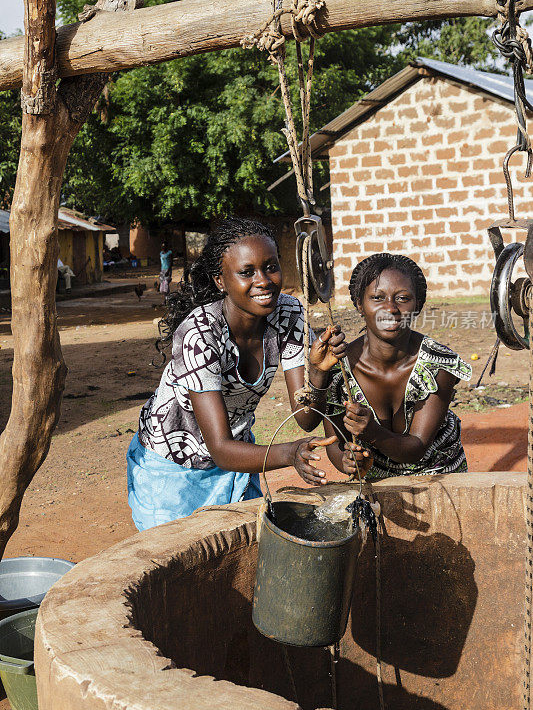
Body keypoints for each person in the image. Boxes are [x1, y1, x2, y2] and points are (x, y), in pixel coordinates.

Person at [126, 216, 345, 530]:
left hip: (239, 459)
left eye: (271, 267)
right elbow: (220, 448)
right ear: (220, 280)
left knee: (243, 555)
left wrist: (319, 374)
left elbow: (306, 418)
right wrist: (290, 452)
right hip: (172, 470)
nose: (264, 281)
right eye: (246, 272)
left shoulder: (288, 314)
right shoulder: (199, 334)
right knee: (181, 564)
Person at [317, 253, 472, 481]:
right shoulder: (339, 366)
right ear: (359, 304)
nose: (390, 308)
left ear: (418, 305)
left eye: (402, 298)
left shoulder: (437, 364)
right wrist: (347, 461)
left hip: (440, 478)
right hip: (374, 482)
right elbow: (335, 444)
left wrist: (371, 432)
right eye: (377, 298)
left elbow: (416, 448)